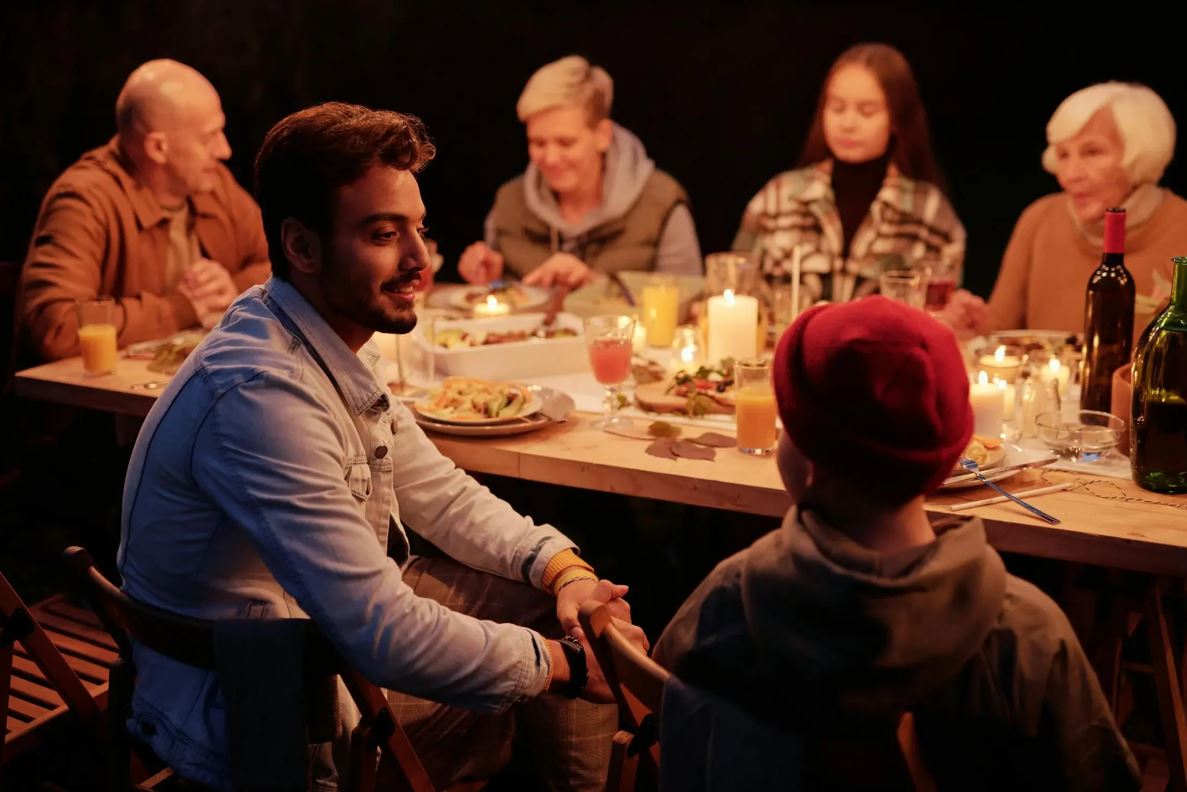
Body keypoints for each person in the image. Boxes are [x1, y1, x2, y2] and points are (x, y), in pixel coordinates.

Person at [118, 102, 646, 791]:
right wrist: (565, 667)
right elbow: (384, 636)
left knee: (562, 611)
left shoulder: (309, 332)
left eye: (418, 229)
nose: (420, 260)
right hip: (262, 702)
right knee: (566, 661)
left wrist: (562, 568)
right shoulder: (260, 395)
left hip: (307, 637)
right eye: (382, 234)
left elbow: (441, 493)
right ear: (302, 247)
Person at [653, 297, 1139, 791]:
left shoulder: (727, 603)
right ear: (947, 453)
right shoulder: (1030, 635)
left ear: (807, 460)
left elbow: (675, 749)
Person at [16, 59, 270, 363]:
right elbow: (58, 329)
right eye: (208, 137)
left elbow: (279, 261)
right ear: (157, 148)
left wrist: (231, 290)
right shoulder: (84, 200)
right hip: (99, 405)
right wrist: (181, 307)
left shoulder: (213, 184)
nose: (224, 150)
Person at [944, 82, 1187, 338]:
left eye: (1092, 152)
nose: (1070, 175)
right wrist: (970, 328)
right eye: (1062, 155)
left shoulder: (1181, 226)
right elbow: (1000, 332)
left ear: (1141, 155)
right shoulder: (1039, 218)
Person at [733, 43, 965, 306]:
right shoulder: (777, 199)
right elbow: (732, 292)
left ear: (896, 119)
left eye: (866, 111)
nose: (848, 123)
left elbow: (941, 319)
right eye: (837, 108)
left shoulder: (930, 213)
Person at [457, 55, 701, 289]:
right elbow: (501, 309)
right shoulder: (509, 203)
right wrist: (492, 280)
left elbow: (687, 304)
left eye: (566, 143)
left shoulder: (661, 203)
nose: (550, 158)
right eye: (538, 143)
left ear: (602, 136)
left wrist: (595, 289)